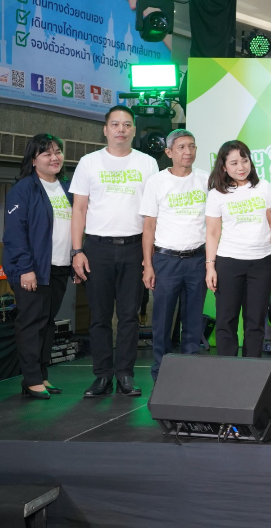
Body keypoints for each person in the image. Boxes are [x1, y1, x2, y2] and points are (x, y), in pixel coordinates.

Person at [70, 106, 159, 398]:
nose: (121, 129)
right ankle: (102, 376)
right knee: (99, 316)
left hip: (134, 247)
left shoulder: (147, 163)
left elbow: (152, 214)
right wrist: (77, 250)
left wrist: (149, 258)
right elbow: (79, 209)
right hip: (97, 248)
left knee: (129, 316)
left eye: (127, 124)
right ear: (105, 129)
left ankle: (125, 374)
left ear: (134, 130)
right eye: (115, 124)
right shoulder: (89, 162)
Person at [3, 135, 72, 399]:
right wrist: (25, 268)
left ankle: (41, 375)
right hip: (32, 268)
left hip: (59, 266)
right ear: (33, 160)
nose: (55, 158)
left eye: (58, 152)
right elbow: (14, 233)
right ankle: (31, 379)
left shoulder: (66, 188)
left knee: (47, 323)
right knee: (31, 323)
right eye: (47, 153)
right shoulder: (24, 189)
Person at [139, 129, 209, 383]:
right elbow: (149, 227)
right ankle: (161, 372)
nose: (187, 152)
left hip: (198, 259)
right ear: (169, 152)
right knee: (162, 319)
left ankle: (190, 371)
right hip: (166, 260)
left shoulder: (206, 179)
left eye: (192, 146)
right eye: (181, 147)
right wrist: (148, 265)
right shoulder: (156, 182)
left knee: (193, 319)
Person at [205, 140, 271, 359]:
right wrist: (210, 266)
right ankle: (228, 370)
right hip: (229, 262)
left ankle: (251, 369)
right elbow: (212, 232)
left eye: (244, 160)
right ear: (224, 166)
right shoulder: (217, 194)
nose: (241, 167)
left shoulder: (264, 187)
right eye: (234, 163)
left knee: (255, 321)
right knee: (226, 320)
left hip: (261, 263)